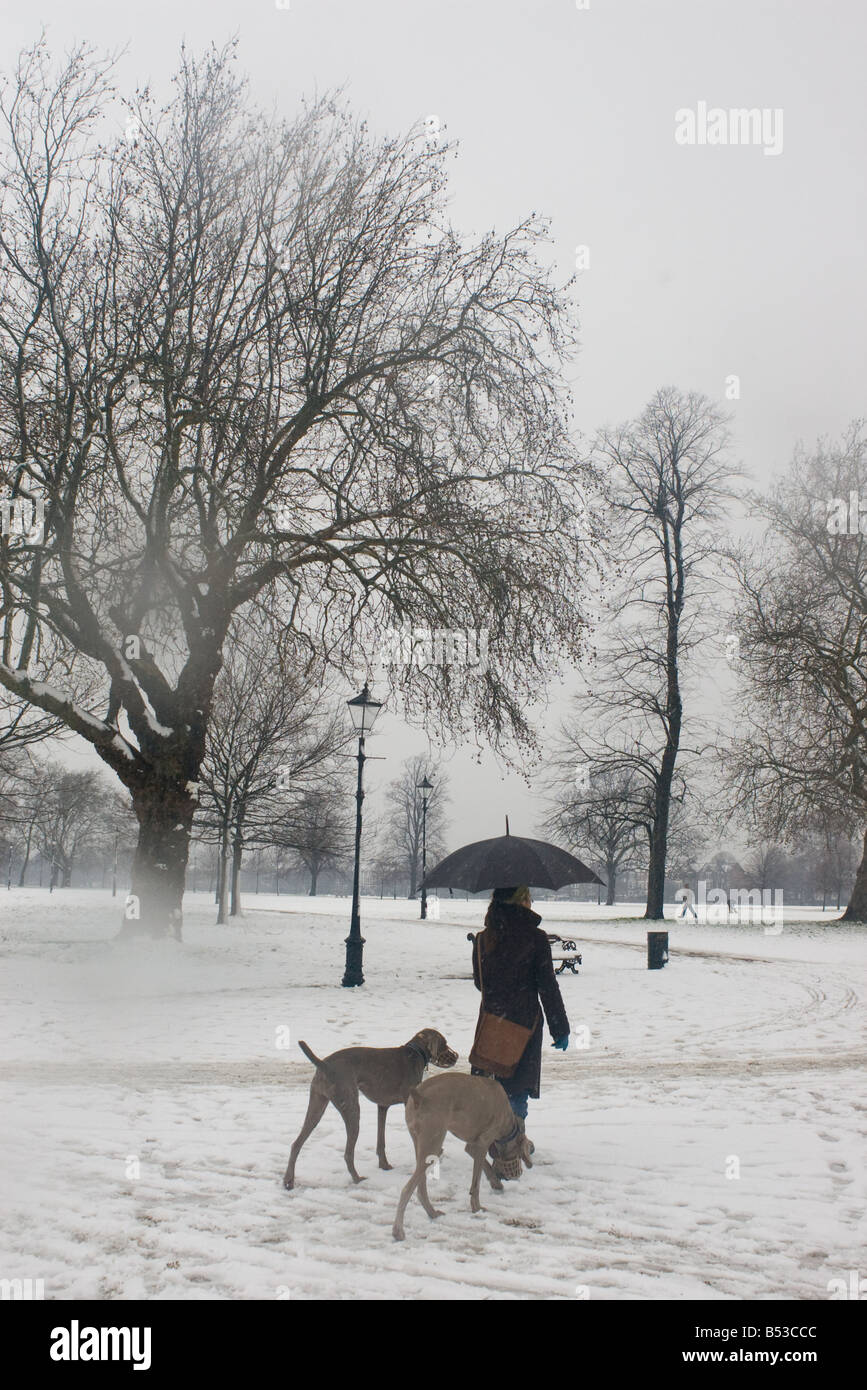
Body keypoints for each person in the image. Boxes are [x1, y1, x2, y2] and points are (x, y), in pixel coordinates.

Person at [470, 885, 570, 1141]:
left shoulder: (483, 939)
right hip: (524, 1025)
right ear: (522, 900)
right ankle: (511, 1145)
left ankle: (493, 1140)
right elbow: (547, 986)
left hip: (491, 1023)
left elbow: (480, 984)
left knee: (491, 1087)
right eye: (529, 897)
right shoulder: (535, 938)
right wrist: (560, 1029)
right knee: (516, 1090)